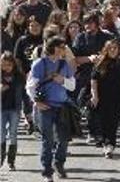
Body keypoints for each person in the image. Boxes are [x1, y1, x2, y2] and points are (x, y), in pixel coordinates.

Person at [26, 36, 75, 182]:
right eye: (62, 47)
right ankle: (47, 171)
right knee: (47, 140)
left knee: (64, 139)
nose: (64, 50)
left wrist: (63, 81)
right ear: (54, 48)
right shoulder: (39, 64)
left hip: (62, 106)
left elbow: (72, 85)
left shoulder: (64, 64)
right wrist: (36, 102)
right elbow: (30, 86)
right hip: (45, 107)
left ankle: (59, 163)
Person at [90, 39, 120, 158]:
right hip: (103, 96)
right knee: (104, 121)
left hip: (118, 97)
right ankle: (105, 142)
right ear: (106, 49)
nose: (113, 50)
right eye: (111, 48)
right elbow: (94, 81)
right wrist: (95, 96)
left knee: (114, 121)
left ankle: (110, 144)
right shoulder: (99, 63)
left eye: (115, 48)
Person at [1, 52, 25, 171]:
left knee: (13, 134)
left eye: (8, 65)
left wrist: (27, 111)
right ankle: (1, 158)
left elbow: (24, 94)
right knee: (1, 134)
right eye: (3, 65)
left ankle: (11, 161)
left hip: (14, 108)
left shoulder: (19, 76)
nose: (6, 67)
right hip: (1, 108)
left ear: (13, 65)